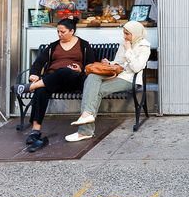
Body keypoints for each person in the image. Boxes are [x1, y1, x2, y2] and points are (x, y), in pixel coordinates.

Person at [14, 17, 95, 152]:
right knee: (41, 90)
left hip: (74, 80)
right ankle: (35, 130)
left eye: (62, 32)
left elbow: (92, 65)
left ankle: (30, 88)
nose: (59, 34)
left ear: (72, 31)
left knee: (64, 71)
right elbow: (38, 63)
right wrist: (33, 74)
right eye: (58, 32)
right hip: (52, 80)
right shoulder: (53, 46)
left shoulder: (84, 45)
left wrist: (81, 70)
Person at [66, 21, 151, 142]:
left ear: (135, 33)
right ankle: (87, 115)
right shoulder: (125, 43)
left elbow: (136, 68)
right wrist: (109, 63)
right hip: (117, 74)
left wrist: (128, 50)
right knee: (91, 77)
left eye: (127, 34)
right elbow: (119, 63)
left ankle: (85, 131)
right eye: (124, 33)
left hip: (129, 79)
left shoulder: (144, 47)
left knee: (97, 91)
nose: (124, 36)